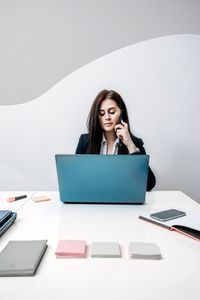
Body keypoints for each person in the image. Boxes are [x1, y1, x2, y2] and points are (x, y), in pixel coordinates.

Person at [76, 89, 156, 191]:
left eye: (112, 112)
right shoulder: (85, 141)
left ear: (121, 112)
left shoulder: (134, 143)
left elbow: (148, 185)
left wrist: (130, 145)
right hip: (93, 199)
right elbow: (77, 179)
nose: (107, 117)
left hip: (123, 201)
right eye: (101, 113)